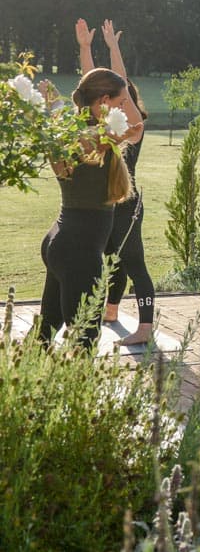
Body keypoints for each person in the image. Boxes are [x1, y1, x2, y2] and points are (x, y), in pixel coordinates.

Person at [35, 67, 140, 349]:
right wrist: (112, 132)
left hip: (63, 240)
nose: (124, 109)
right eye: (120, 103)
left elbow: (77, 129)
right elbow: (129, 127)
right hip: (79, 250)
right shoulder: (92, 139)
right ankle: (74, 394)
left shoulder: (70, 132)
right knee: (85, 342)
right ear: (104, 100)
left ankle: (31, 390)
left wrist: (53, 103)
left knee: (44, 335)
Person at [77, 18, 155, 345]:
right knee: (111, 258)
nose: (116, 104)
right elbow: (95, 87)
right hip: (105, 205)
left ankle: (145, 329)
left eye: (123, 101)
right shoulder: (108, 127)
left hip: (127, 206)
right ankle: (111, 311)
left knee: (133, 261)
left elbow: (118, 83)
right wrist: (85, 49)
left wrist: (114, 49)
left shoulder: (133, 129)